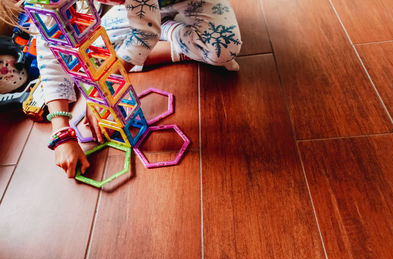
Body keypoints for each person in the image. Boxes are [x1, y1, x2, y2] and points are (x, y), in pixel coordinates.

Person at [0, 0, 242, 177]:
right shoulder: (46, 5)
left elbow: (146, 32)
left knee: (224, 48)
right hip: (132, 12)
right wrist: (61, 133)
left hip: (185, 4)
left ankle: (169, 31)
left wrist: (103, 88)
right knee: (89, 50)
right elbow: (51, 51)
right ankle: (171, 34)